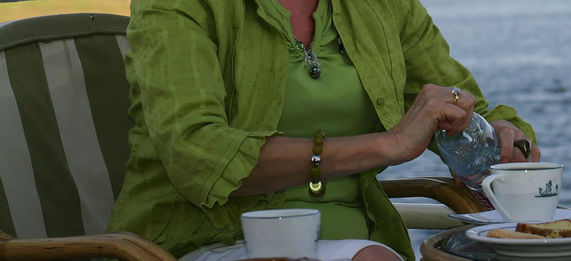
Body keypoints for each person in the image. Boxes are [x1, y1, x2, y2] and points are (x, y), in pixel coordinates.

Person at [107, 0, 541, 260]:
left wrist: (502, 133)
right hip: (202, 241)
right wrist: (389, 144)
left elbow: (460, 101)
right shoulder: (177, 5)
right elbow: (196, 153)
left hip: (362, 243)